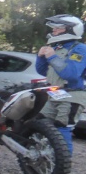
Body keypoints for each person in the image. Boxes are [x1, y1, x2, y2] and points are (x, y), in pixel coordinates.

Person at [35, 14, 86, 155]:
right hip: (55, 94)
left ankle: (61, 167)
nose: (54, 31)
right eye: (54, 28)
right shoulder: (57, 47)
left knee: (62, 128)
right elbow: (43, 71)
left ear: (71, 30)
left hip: (72, 95)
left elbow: (71, 73)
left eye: (58, 28)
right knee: (40, 123)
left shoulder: (80, 49)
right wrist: (40, 58)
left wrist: (52, 56)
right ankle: (41, 159)